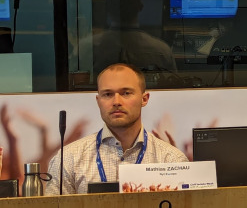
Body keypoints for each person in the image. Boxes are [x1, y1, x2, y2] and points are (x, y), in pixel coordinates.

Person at [45, 63, 188, 195]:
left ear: (144, 99)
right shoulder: (69, 158)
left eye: (126, 93)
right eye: (108, 94)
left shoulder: (171, 159)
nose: (116, 102)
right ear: (98, 101)